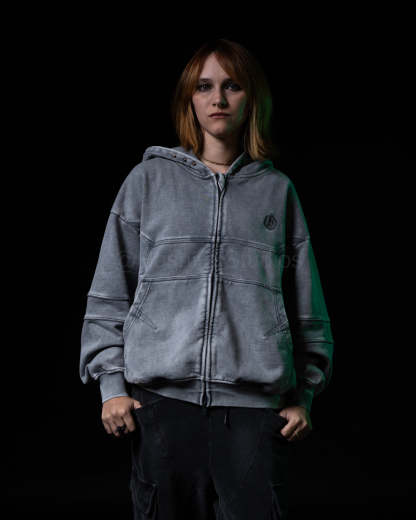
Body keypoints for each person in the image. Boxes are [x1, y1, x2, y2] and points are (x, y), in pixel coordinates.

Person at [80, 38, 334, 520]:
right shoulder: (147, 182)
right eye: (204, 87)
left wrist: (303, 395)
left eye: (232, 86)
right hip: (161, 409)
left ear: (251, 99)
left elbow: (308, 310)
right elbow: (109, 293)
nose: (218, 99)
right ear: (189, 100)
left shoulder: (277, 192)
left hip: (255, 414)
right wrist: (111, 386)